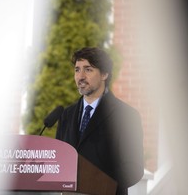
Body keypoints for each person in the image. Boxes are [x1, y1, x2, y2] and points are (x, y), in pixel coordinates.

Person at [56, 47, 144, 195]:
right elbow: (59, 158)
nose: (80, 76)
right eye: (77, 70)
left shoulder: (126, 116)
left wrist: (98, 183)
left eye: (88, 69)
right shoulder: (66, 115)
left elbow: (133, 167)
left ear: (104, 74)